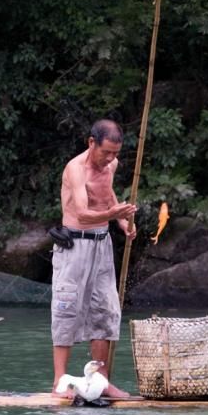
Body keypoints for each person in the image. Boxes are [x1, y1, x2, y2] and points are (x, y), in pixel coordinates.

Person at [51, 119, 137, 399]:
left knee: (106, 310)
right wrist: (114, 215)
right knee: (68, 308)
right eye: (106, 152)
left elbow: (108, 196)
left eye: (115, 153)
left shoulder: (110, 165)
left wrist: (123, 222)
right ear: (91, 143)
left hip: (102, 245)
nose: (111, 159)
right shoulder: (76, 170)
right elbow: (83, 212)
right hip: (75, 245)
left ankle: (101, 381)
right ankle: (60, 382)